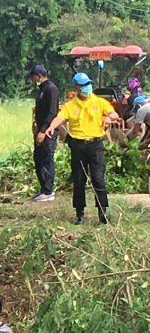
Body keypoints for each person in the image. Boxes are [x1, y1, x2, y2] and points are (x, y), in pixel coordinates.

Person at [46, 72, 120, 224]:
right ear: (76, 87)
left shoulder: (99, 102)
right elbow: (59, 118)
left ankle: (102, 212)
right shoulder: (70, 105)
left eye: (87, 84)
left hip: (95, 145)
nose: (86, 87)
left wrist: (107, 117)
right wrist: (51, 127)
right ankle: (79, 213)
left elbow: (114, 115)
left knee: (98, 179)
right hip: (78, 145)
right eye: (83, 85)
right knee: (79, 180)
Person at [26, 64, 59, 202]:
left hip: (48, 131)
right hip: (40, 129)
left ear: (39, 75)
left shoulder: (51, 89)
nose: (32, 80)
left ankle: (48, 190)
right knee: (38, 158)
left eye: (33, 77)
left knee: (46, 159)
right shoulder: (42, 89)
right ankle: (43, 188)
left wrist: (43, 130)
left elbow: (52, 112)